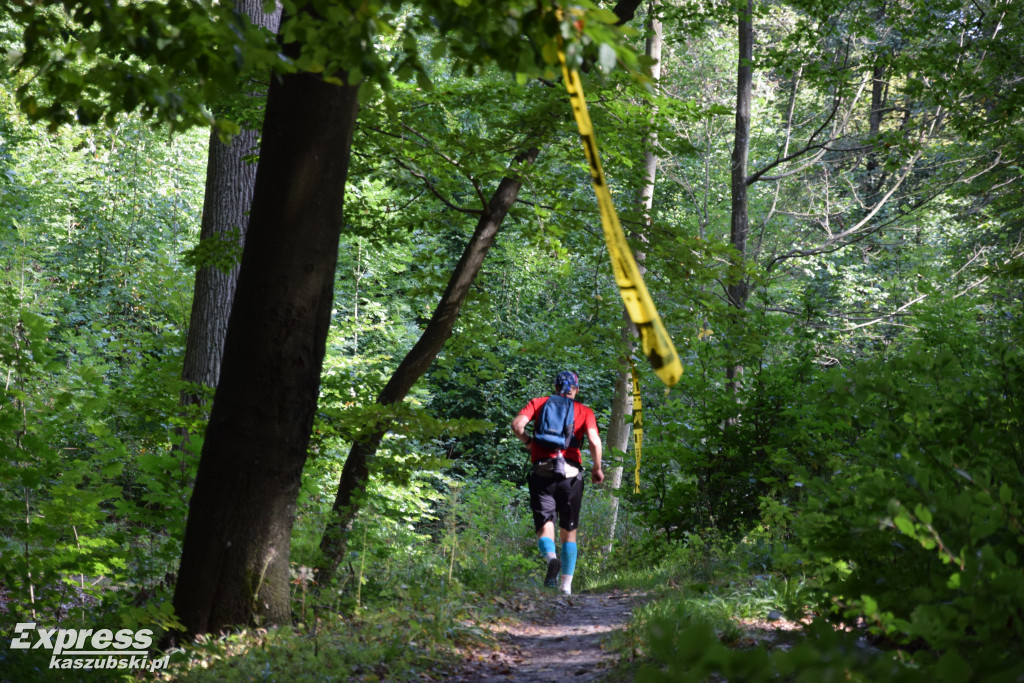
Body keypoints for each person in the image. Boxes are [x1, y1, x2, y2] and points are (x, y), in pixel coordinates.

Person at [511, 371, 603, 595]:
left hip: (543, 473)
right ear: (576, 390)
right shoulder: (584, 411)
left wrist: (530, 443)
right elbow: (593, 440)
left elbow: (517, 426)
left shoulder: (539, 403)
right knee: (569, 532)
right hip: (571, 476)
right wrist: (597, 468)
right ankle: (565, 588)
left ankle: (551, 558)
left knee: (545, 526)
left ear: (555, 388)